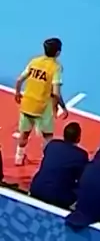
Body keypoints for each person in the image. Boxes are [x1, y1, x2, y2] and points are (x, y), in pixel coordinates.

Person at [14, 37, 67, 166]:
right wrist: (60, 107)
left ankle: (18, 158)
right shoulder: (56, 67)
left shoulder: (34, 61)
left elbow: (19, 79)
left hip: (27, 104)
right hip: (43, 108)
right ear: (58, 52)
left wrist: (17, 93)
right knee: (48, 136)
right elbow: (56, 93)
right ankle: (47, 160)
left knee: (24, 133)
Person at [30, 122, 88, 208]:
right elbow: (82, 178)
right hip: (58, 197)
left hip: (36, 188)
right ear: (78, 138)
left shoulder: (52, 144)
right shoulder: (81, 155)